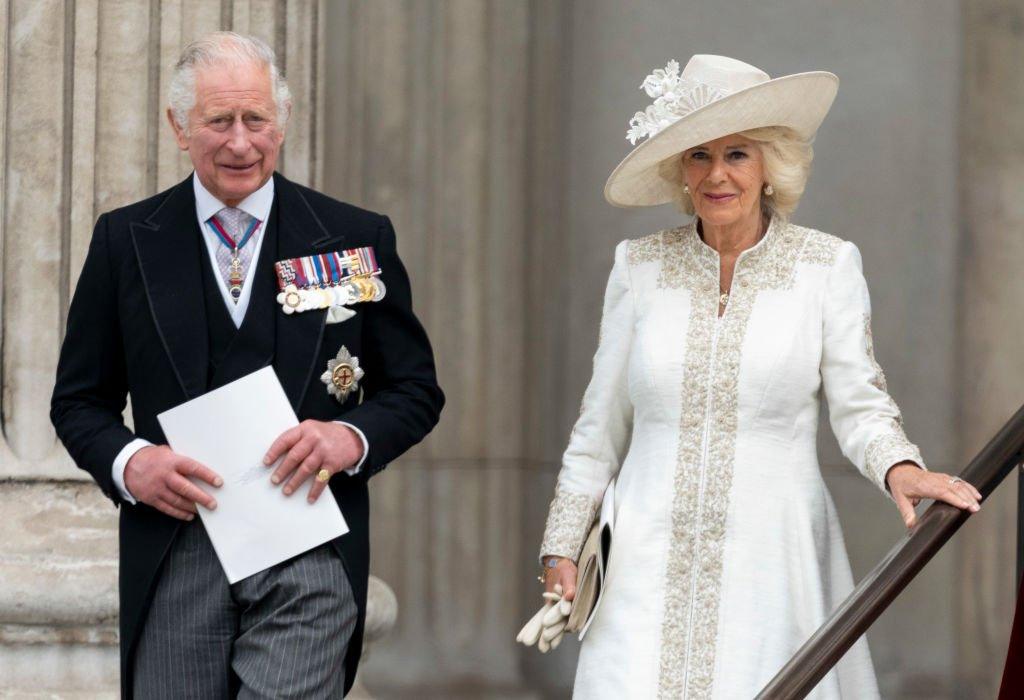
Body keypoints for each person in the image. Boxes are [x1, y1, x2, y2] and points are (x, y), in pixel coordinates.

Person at [535, 55, 981, 698]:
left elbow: (861, 405)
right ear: (680, 171)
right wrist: (561, 548)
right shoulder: (638, 266)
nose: (717, 174)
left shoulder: (827, 266)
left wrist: (900, 469)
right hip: (642, 555)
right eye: (699, 155)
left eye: (737, 154)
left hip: (774, 555)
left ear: (770, 164)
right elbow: (599, 425)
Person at [50, 31, 443, 697]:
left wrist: (348, 437)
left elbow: (413, 389)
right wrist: (129, 463)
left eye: (256, 119)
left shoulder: (353, 236)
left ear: (282, 122)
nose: (240, 142)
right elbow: (78, 401)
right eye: (219, 121)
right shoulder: (125, 241)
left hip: (310, 549)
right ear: (179, 127)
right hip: (175, 552)